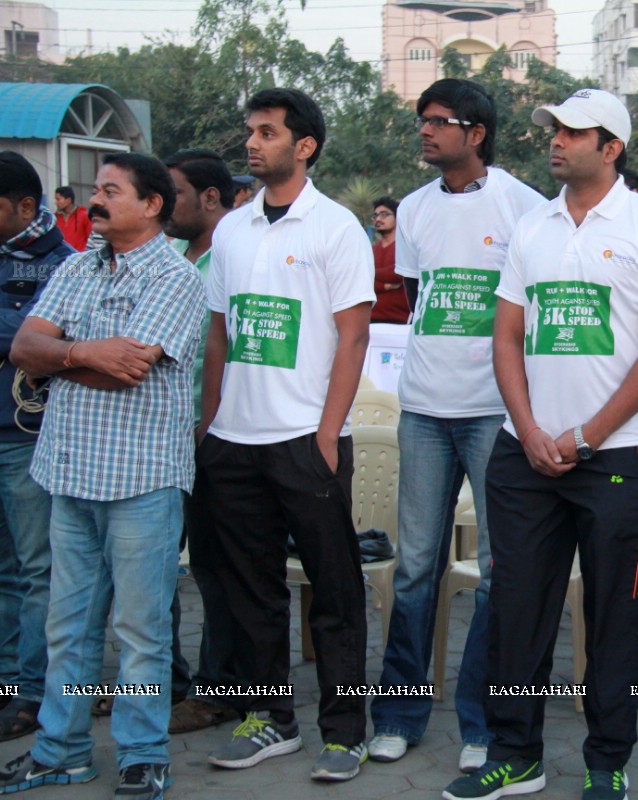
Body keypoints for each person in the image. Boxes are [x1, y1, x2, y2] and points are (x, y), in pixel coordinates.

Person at [444, 87, 638, 800]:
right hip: (524, 454)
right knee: (516, 610)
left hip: (615, 458)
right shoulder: (534, 227)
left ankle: (606, 762)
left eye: (573, 132)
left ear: (611, 148)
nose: (555, 140)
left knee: (614, 614)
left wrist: (588, 434)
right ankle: (515, 752)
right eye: (552, 129)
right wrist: (526, 428)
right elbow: (507, 334)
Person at [0, 152, 203, 800]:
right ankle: (60, 750)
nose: (96, 198)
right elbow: (23, 348)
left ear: (150, 205)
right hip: (68, 470)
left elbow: (131, 368)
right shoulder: (76, 265)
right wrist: (81, 353)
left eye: (110, 190)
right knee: (69, 626)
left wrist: (56, 359)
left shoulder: (176, 278)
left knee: (140, 632)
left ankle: (144, 755)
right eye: (96, 188)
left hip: (141, 479)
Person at [191, 87, 374, 782]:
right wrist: (211, 424)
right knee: (250, 589)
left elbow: (353, 337)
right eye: (250, 131)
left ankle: (345, 729)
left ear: (305, 147)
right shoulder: (234, 230)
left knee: (334, 591)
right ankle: (269, 719)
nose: (252, 142)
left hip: (306, 437)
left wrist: (328, 434)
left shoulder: (334, 227)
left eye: (267, 132)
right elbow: (219, 334)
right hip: (234, 441)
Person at [367, 78, 545, 774]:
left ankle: (481, 723)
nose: (425, 131)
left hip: (494, 414)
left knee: (498, 573)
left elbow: (523, 310)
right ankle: (399, 714)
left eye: (438, 121)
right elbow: (417, 299)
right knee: (415, 568)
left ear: (475, 133)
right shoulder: (410, 210)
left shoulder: (524, 205)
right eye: (421, 121)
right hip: (422, 410)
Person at [157, 148, 240, 736]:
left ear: (210, 198)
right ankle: (156, 681)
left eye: (175, 194)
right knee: (154, 569)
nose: (164, 205)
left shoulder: (235, 257)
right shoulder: (168, 257)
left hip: (213, 433)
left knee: (217, 569)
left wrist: (210, 426)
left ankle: (220, 692)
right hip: (159, 436)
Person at [0, 153, 70, 745]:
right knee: (5, 568)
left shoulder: (62, 265)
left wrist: (23, 336)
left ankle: (32, 692)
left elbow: (39, 339)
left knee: (35, 570)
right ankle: (6, 685)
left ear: (25, 207)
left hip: (26, 436)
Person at [368, 196, 410, 324]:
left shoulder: (406, 247)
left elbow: (397, 274)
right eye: (375, 216)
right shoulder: (370, 250)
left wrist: (371, 272)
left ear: (397, 218)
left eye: (384, 214)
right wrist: (384, 285)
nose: (378, 219)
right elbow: (359, 280)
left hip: (400, 322)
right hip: (370, 321)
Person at [51, 187, 90, 252]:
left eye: (58, 199)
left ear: (68, 200)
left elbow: (90, 238)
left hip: (80, 257)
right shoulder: (54, 218)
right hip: (61, 258)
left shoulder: (84, 216)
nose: (56, 202)